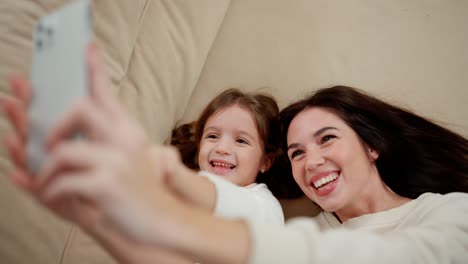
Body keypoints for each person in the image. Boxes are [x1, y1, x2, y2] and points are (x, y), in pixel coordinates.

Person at [5, 44, 468, 263]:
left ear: (371, 145)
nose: (310, 161)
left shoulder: (452, 214)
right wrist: (102, 222)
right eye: (296, 152)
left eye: (326, 139)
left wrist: (158, 176)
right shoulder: (310, 229)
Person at [166, 88, 284, 225]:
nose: (222, 148)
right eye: (212, 136)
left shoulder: (265, 206)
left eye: (241, 141)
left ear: (265, 162)